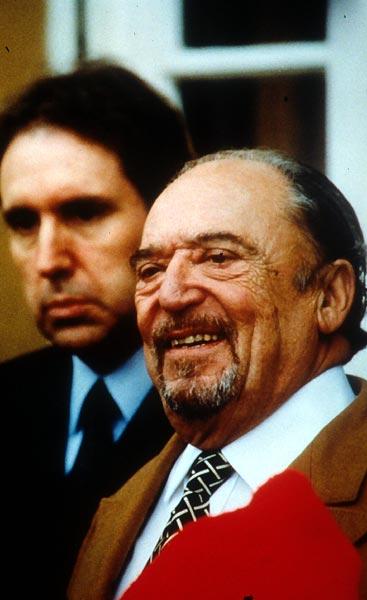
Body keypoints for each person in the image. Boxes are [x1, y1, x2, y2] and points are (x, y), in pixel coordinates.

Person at [69, 148, 367, 600]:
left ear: (329, 297)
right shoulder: (124, 502)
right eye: (151, 269)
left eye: (218, 258)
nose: (170, 294)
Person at [0, 61, 192, 599]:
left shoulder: (229, 416)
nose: (49, 260)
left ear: (166, 218)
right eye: (23, 222)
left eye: (84, 213)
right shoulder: (8, 399)